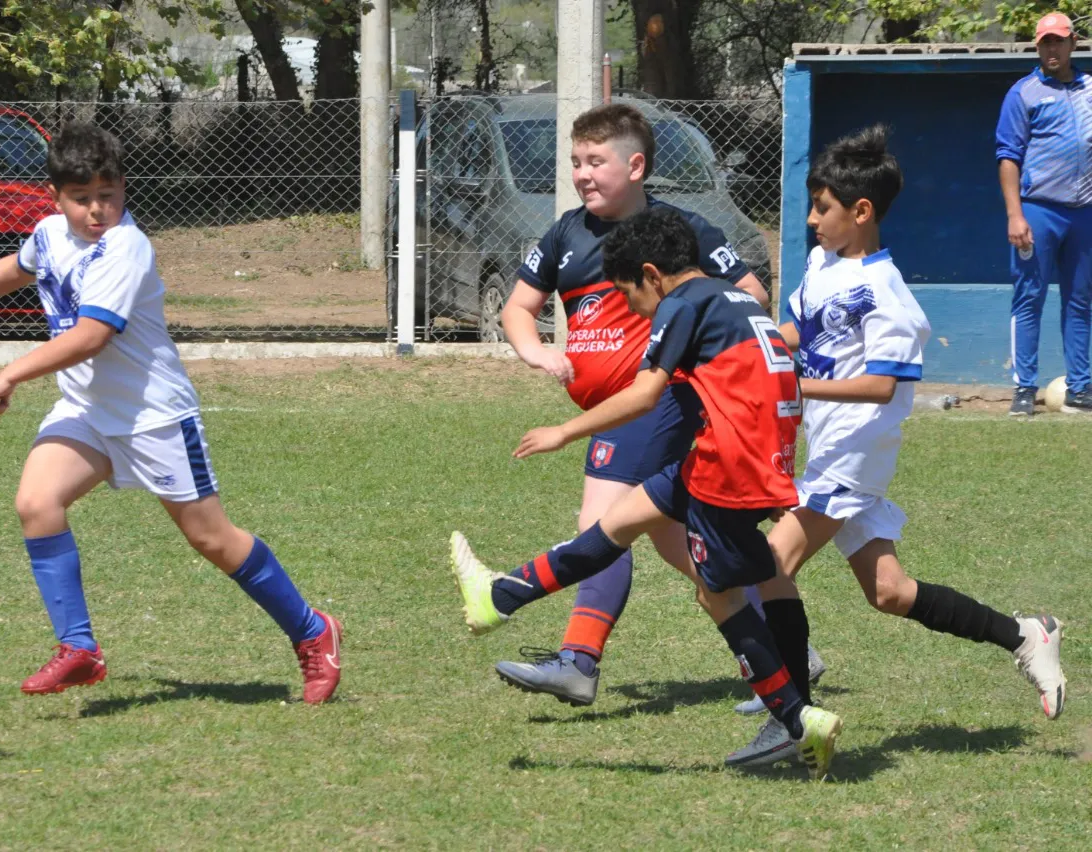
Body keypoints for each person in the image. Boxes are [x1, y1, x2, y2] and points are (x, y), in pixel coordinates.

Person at [0, 122, 342, 703]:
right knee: (37, 503)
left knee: (212, 540)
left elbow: (92, 337)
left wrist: (12, 371)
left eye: (107, 196)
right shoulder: (48, 233)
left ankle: (313, 632)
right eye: (81, 198)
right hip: (87, 409)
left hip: (152, 415)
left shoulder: (126, 247)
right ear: (55, 197)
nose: (96, 210)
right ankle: (79, 649)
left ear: (124, 189)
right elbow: (19, 266)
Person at [451, 205, 843, 780]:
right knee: (618, 522)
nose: (632, 306)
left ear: (653, 275)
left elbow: (641, 395)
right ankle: (497, 598)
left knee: (719, 598)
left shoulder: (681, 305)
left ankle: (796, 720)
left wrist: (563, 431)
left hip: (726, 468)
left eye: (630, 292)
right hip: (748, 458)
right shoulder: (733, 298)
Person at [725, 125, 1067, 767]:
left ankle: (791, 716)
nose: (810, 219)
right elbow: (797, 333)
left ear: (861, 213)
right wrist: (747, 344)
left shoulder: (890, 296)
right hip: (828, 451)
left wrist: (800, 384)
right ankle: (1025, 634)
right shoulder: (822, 266)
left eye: (822, 208)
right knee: (889, 592)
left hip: (856, 454)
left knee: (771, 563)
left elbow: (882, 385)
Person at [496, 102, 825, 708]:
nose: (582, 173)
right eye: (576, 162)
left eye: (596, 161)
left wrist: (700, 355)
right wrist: (538, 352)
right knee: (684, 544)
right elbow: (517, 307)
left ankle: (576, 658)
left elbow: (750, 293)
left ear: (637, 165)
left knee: (601, 522)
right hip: (619, 409)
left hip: (659, 405)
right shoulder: (566, 232)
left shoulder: (681, 232)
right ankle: (789, 652)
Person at [996, 12, 1092, 415]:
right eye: (1044, 43)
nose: (1051, 49)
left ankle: (1082, 388)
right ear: (1037, 47)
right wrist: (1015, 215)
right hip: (1038, 211)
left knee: (1082, 300)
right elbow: (1008, 156)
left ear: (1073, 44)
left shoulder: (1090, 89)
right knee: (1029, 297)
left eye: (1058, 41)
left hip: (1084, 213)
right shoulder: (1024, 93)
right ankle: (1024, 389)